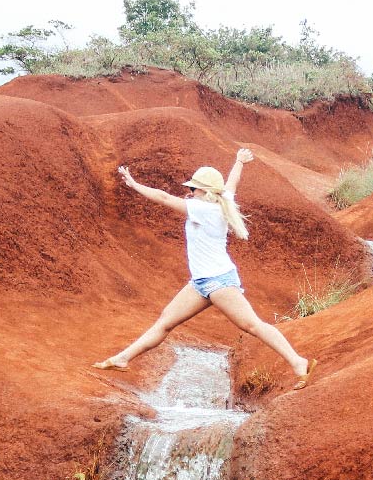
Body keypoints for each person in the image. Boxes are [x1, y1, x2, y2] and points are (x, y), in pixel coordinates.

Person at [93, 149, 317, 390]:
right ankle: (122, 359)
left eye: (193, 189)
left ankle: (298, 362)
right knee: (166, 321)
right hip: (200, 283)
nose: (189, 193)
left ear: (206, 192)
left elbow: (164, 198)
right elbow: (231, 184)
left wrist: (135, 185)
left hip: (218, 281)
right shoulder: (222, 201)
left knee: (252, 325)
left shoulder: (205, 209)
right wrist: (239, 162)